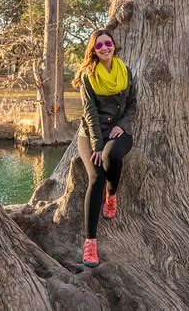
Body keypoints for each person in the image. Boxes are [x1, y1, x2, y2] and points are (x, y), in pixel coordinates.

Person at [72, 29, 136, 267]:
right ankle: (90, 243)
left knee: (112, 157)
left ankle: (112, 194)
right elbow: (89, 114)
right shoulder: (89, 76)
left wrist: (122, 125)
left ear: (114, 46)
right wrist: (96, 145)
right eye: (99, 46)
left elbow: (132, 104)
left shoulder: (125, 72)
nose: (105, 48)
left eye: (108, 43)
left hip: (118, 132)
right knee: (96, 176)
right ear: (94, 50)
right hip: (89, 133)